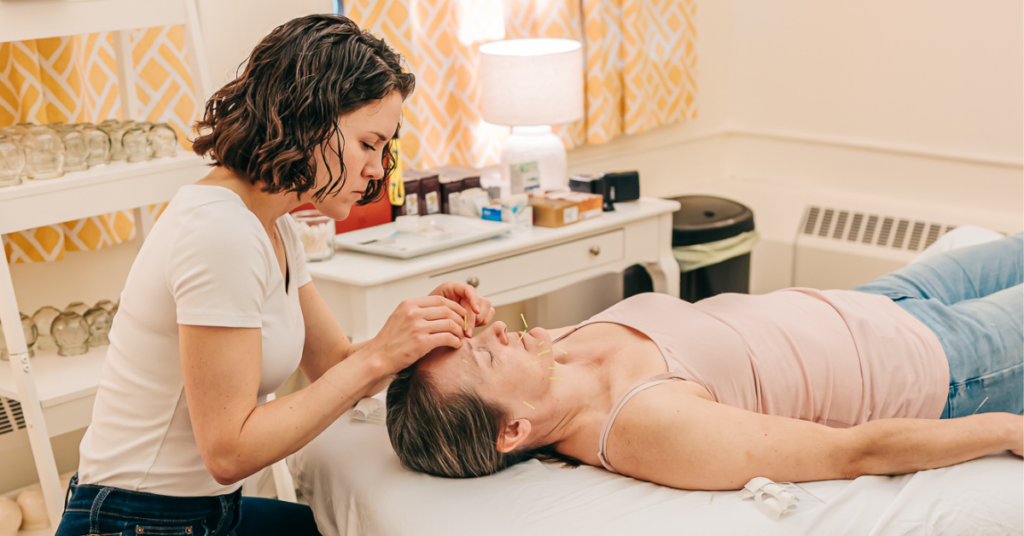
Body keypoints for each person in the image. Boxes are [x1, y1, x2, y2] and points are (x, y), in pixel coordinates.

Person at [56, 14, 494, 535]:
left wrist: (418, 333)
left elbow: (332, 364)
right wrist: (380, 353)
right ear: (310, 119)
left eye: (384, 150)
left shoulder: (272, 225)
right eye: (368, 144)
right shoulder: (220, 232)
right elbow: (229, 450)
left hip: (205, 511)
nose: (379, 169)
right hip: (135, 520)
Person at [386, 232, 1024, 491]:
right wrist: (1009, 429)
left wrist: (441, 328)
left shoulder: (551, 356)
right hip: (943, 362)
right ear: (513, 430)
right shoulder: (646, 423)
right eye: (482, 355)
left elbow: (394, 370)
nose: (494, 330)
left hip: (876, 300)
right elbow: (852, 453)